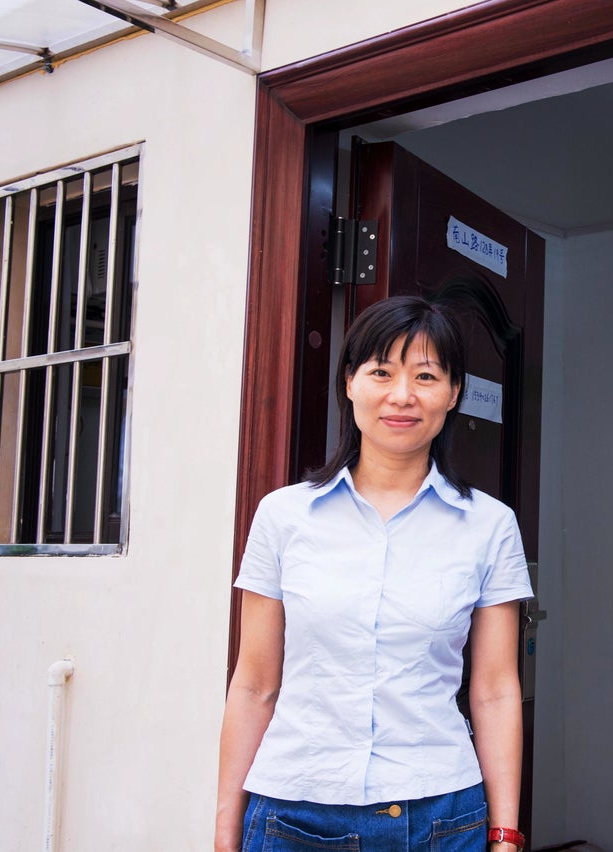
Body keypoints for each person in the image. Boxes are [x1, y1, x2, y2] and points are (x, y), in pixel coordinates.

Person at [215, 295, 533, 852]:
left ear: (453, 392)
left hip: (440, 817)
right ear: (350, 383)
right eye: (382, 372)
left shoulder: (490, 526)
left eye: (426, 375)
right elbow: (254, 684)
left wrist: (505, 834)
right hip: (296, 814)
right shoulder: (283, 516)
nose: (402, 395)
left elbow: (495, 691)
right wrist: (224, 833)